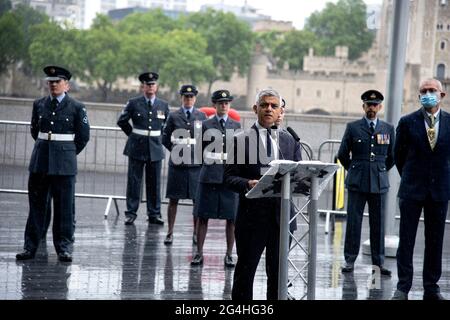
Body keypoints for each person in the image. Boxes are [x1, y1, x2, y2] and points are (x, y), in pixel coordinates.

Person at [224, 88, 301, 300]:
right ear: (255, 108)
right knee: (245, 274)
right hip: (251, 219)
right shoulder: (240, 140)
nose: (269, 109)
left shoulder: (289, 140)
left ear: (280, 111)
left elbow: (299, 175)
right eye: (265, 105)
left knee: (277, 276)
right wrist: (248, 183)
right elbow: (229, 178)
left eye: (274, 106)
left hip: (282, 218)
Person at [16, 65, 90, 262]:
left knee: (64, 209)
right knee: (36, 207)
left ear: (67, 85)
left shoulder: (77, 107)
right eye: (50, 82)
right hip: (40, 163)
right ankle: (30, 247)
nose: (53, 85)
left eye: (57, 81)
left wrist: (66, 153)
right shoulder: (39, 104)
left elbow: (83, 137)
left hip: (64, 166)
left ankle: (63, 248)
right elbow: (35, 131)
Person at [392, 79, 449, 300]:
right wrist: (409, 176)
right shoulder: (407, 122)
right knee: (406, 239)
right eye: (423, 91)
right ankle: (403, 286)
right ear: (418, 96)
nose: (427, 94)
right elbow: (399, 155)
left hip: (440, 191)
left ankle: (431, 286)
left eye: (431, 91)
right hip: (412, 190)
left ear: (441, 94)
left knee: (435, 241)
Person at [337, 89, 394, 276]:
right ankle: (350, 260)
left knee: (378, 224)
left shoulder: (388, 128)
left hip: (378, 181)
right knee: (354, 222)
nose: (372, 108)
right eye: (369, 104)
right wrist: (355, 169)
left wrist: (380, 169)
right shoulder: (352, 127)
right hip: (357, 180)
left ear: (380, 107)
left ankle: (378, 262)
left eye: (375, 104)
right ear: (363, 106)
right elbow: (343, 155)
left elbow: (392, 157)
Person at [191, 90, 241, 267]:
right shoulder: (205, 125)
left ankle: (229, 254)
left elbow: (239, 152)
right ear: (215, 105)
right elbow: (198, 150)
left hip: (229, 175)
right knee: (203, 216)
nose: (224, 106)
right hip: (210, 175)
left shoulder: (236, 126)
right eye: (220, 103)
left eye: (226, 103)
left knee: (231, 218)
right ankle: (199, 253)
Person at [117, 72, 169, 226]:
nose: (150, 87)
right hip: (137, 147)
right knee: (134, 182)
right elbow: (122, 121)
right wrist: (133, 135)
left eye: (153, 84)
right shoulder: (133, 103)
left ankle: (154, 213)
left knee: (154, 183)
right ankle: (131, 213)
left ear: (157, 87)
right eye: (147, 84)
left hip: (155, 148)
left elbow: (167, 125)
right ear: (142, 87)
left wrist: (160, 139)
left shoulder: (163, 105)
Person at [162, 84, 207, 245]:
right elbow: (165, 138)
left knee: (197, 201)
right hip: (178, 165)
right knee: (173, 200)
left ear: (195, 98)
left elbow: (206, 139)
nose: (188, 100)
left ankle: (196, 233)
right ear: (182, 98)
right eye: (186, 97)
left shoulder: (201, 116)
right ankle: (170, 232)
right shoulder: (174, 116)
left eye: (191, 97)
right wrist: (176, 151)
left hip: (195, 165)